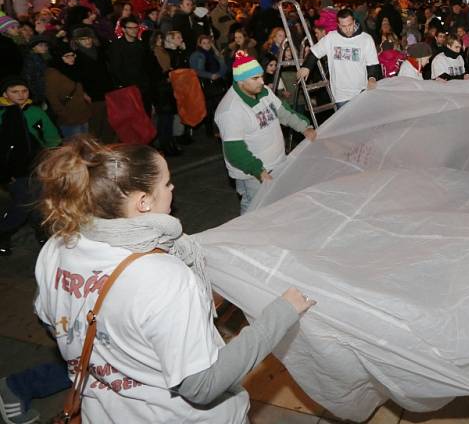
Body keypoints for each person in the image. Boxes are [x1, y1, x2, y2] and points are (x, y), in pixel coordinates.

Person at [33, 136, 316, 423]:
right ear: (143, 201)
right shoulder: (163, 275)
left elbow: (52, 320)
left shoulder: (57, 247)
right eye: (166, 183)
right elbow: (202, 385)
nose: (173, 188)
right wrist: (280, 315)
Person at [216, 53, 317, 213]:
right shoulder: (230, 110)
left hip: (276, 163)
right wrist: (259, 171)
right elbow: (234, 151)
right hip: (254, 174)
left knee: (277, 206)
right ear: (240, 81)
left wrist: (305, 127)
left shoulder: (262, 92)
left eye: (261, 76)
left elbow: (283, 112)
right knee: (255, 209)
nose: (262, 82)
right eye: (255, 78)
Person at [0, 76, 60, 255]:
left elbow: (52, 137)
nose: (20, 95)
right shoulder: (2, 114)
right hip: (12, 171)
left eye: (24, 91)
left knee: (39, 201)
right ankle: (4, 232)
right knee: (24, 201)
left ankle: (41, 233)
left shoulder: (36, 112)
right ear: (5, 94)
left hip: (38, 166)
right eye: (15, 92)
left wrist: (51, 158)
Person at [298, 8, 381, 108]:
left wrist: (372, 78)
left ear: (354, 21)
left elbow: (372, 64)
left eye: (350, 25)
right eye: (343, 26)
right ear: (338, 25)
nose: (347, 29)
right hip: (340, 95)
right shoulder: (331, 38)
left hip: (361, 91)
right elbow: (314, 52)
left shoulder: (366, 39)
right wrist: (306, 67)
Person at [44, 44, 92, 139]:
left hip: (82, 114)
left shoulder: (73, 69)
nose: (71, 58)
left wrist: (84, 95)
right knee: (75, 148)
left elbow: (77, 86)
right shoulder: (53, 74)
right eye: (67, 56)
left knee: (86, 144)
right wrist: (64, 114)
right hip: (69, 119)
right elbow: (52, 98)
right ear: (59, 58)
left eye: (72, 55)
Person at [107, 16, 153, 113]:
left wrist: (146, 84)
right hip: (126, 88)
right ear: (123, 29)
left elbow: (148, 66)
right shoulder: (116, 46)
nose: (134, 30)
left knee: (145, 116)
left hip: (143, 87)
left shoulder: (142, 45)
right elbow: (115, 68)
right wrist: (125, 85)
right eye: (130, 28)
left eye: (136, 27)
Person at [190, 35, 229, 137]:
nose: (207, 45)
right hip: (206, 85)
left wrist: (219, 74)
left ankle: (220, 130)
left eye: (208, 42)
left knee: (220, 108)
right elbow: (197, 71)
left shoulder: (215, 53)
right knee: (209, 109)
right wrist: (210, 75)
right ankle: (211, 131)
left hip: (218, 83)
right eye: (204, 43)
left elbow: (223, 66)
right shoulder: (197, 55)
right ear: (199, 44)